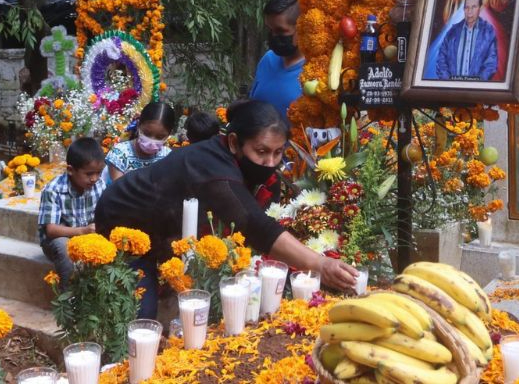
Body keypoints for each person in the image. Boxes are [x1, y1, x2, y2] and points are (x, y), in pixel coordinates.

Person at [94, 100, 358, 319]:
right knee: (141, 314)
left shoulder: (244, 166)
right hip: (123, 222)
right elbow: (255, 225)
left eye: (278, 153)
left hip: (164, 228)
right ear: (234, 143)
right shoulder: (214, 170)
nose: (270, 162)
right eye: (261, 151)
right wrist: (319, 264)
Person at [38, 137, 107, 283]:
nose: (94, 178)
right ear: (70, 170)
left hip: (88, 235)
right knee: (63, 247)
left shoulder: (99, 185)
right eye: (89, 174)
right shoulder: (53, 190)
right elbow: (51, 230)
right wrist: (82, 231)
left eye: (99, 173)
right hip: (60, 239)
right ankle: (69, 297)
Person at [249, 0, 304, 126]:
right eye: (270, 29)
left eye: (280, 30)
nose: (273, 36)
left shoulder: (316, 71)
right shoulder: (268, 59)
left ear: (302, 27)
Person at [106, 102, 177, 182]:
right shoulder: (119, 154)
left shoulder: (167, 157)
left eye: (159, 137)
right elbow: (119, 190)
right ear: (139, 125)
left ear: (169, 134)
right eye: (147, 133)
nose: (152, 142)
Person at [434, 0, 499, 80]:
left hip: (476, 91)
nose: (469, 11)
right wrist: (448, 83)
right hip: (452, 90)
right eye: (466, 7)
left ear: (480, 8)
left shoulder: (488, 31)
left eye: (473, 7)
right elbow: (441, 59)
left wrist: (476, 84)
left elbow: (491, 64)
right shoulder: (452, 31)